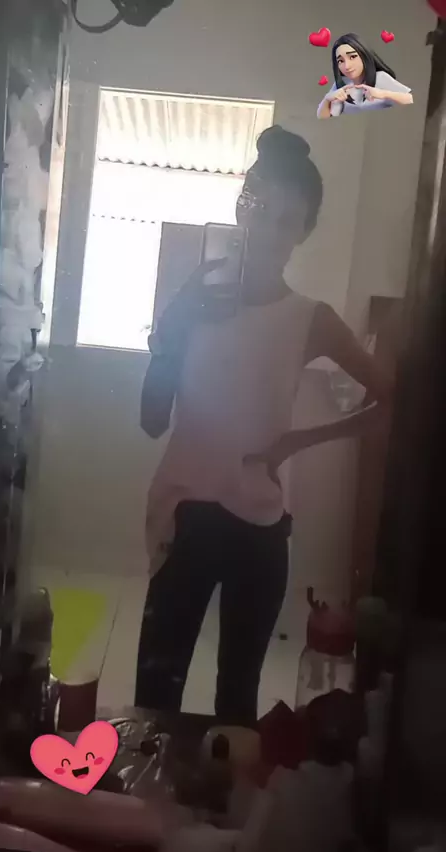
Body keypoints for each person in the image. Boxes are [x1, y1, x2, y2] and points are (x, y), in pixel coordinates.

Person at [135, 125, 392, 726]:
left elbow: (392, 398)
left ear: (304, 232)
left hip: (260, 528)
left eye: (287, 220)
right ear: (240, 207)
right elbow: (151, 421)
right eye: (259, 209)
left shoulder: (311, 318)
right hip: (183, 516)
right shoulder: (194, 297)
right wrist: (172, 328)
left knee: (236, 702)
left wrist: (298, 441)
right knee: (153, 694)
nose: (269, 231)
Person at [318, 33, 413, 119]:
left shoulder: (380, 78)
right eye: (341, 61)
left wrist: (383, 94)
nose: (347, 66)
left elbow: (410, 99)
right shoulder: (341, 83)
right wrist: (327, 98)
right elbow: (324, 118)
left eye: (353, 57)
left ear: (364, 55)